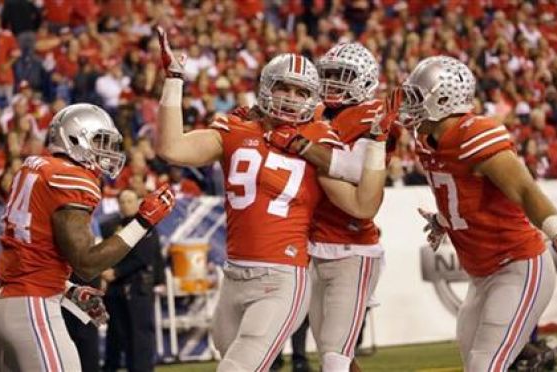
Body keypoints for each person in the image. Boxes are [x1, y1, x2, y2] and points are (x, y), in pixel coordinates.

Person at [155, 27, 387, 372]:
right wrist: (174, 79)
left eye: (300, 91)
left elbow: (361, 205)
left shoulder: (317, 137)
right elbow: (171, 147)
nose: (291, 97)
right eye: (283, 87)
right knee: (229, 351)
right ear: (266, 86)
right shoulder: (237, 128)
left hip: (282, 277)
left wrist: (376, 145)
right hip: (234, 275)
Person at [398, 56, 557, 371]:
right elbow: (466, 197)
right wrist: (443, 220)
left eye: (417, 96)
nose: (409, 104)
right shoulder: (426, 141)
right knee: (478, 363)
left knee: (485, 365)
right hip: (481, 275)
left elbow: (525, 189)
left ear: (443, 99)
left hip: (518, 266)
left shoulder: (475, 133)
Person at [0, 103, 175, 371]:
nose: (107, 151)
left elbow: (32, 252)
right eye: (99, 141)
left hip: (2, 302)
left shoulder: (35, 167)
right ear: (73, 138)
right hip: (31, 306)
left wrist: (68, 289)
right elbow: (87, 264)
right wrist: (142, 222)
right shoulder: (71, 177)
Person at [261, 42, 390, 372]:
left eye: (341, 75)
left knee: (335, 356)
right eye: (327, 75)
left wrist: (301, 145)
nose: (332, 83)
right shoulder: (316, 113)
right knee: (335, 355)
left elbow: (355, 170)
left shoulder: (371, 114)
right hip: (314, 243)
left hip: (352, 245)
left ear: (363, 80)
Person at [101, 188, 163, 372]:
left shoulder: (145, 226)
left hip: (138, 288)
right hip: (116, 290)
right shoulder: (111, 227)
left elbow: (143, 257)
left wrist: (116, 272)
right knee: (117, 335)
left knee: (140, 335)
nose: (126, 205)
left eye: (130, 201)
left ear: (138, 203)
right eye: (122, 201)